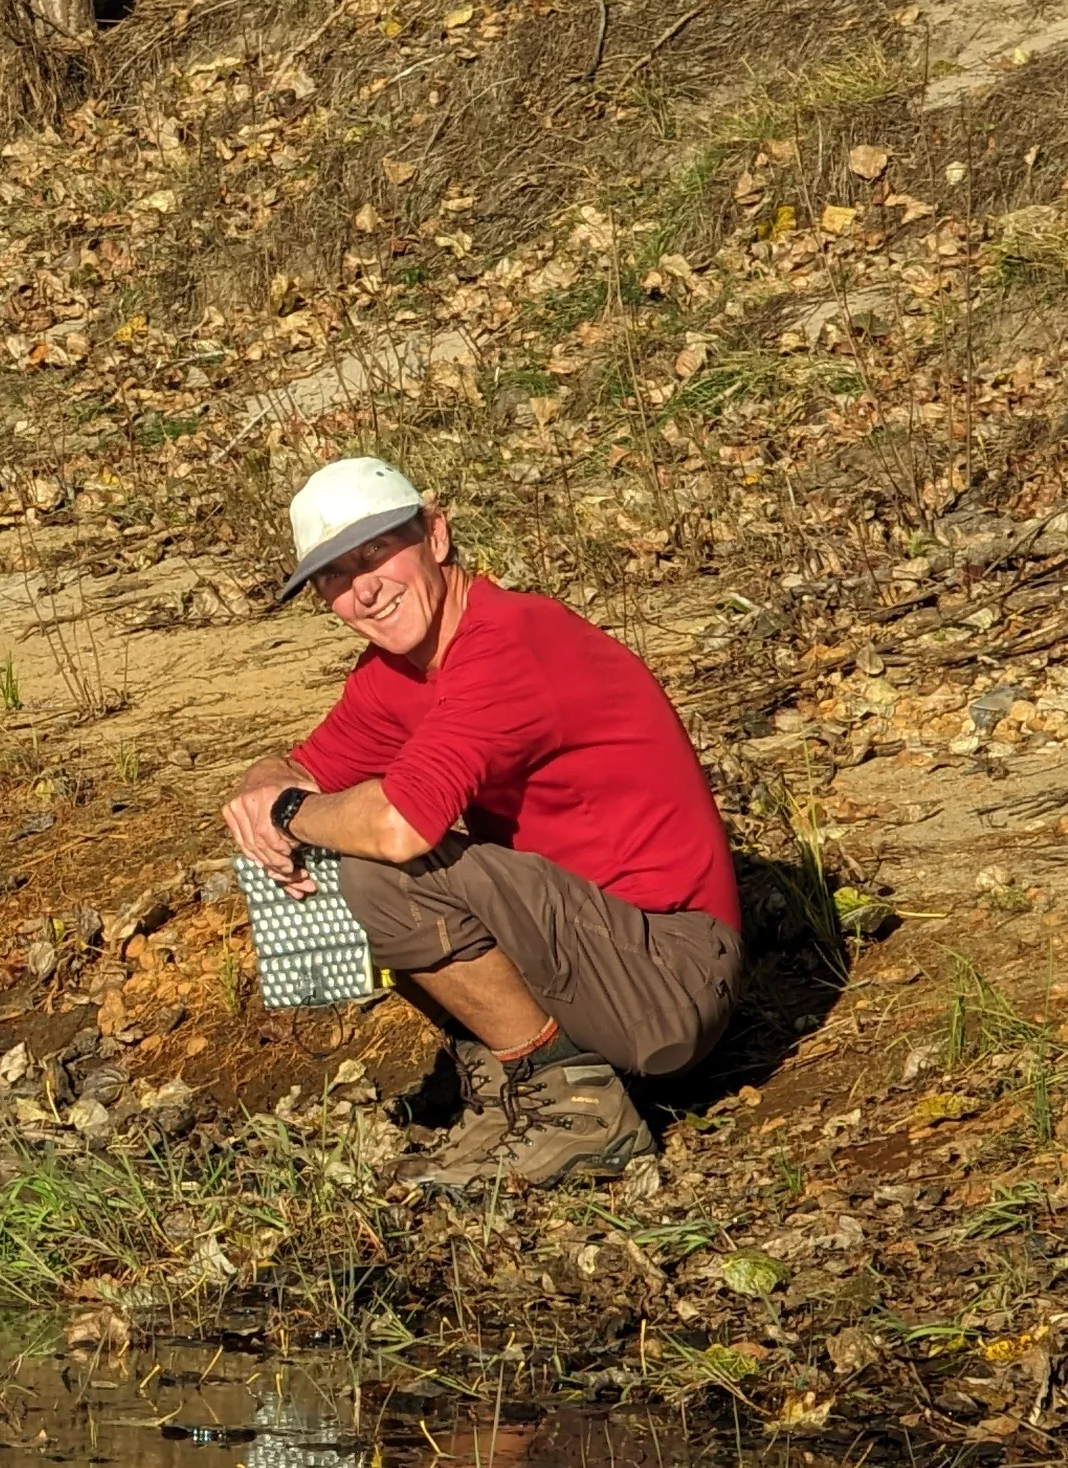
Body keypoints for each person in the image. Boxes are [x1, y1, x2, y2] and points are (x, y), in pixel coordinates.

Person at [219, 455, 741, 1190]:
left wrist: (288, 813)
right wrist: (261, 787)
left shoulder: (511, 643)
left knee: (377, 867)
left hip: (670, 975)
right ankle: (514, 1088)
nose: (363, 590)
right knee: (335, 842)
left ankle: (576, 1103)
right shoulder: (396, 670)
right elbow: (302, 771)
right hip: (592, 958)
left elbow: (399, 828)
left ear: (436, 535)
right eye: (334, 576)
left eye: (376, 552)